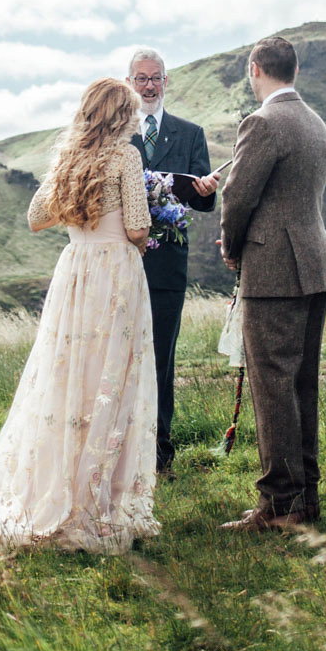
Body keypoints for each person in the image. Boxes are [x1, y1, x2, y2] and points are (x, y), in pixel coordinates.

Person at [0, 78, 160, 553]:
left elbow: (36, 217)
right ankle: (98, 504)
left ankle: (56, 487)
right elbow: (137, 226)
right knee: (111, 381)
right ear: (121, 115)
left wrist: (79, 217)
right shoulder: (126, 156)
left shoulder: (68, 157)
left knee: (67, 379)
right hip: (115, 278)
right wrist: (140, 237)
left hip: (75, 272)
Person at [218, 33, 326, 531]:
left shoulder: (264, 121)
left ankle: (280, 506)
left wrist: (232, 249)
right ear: (293, 70)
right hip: (315, 261)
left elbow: (237, 196)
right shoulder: (314, 122)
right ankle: (305, 498)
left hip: (275, 268)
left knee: (272, 385)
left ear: (256, 69)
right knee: (299, 383)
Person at [127, 47, 219, 475]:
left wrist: (204, 189)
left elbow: (204, 202)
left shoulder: (190, 133)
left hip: (167, 269)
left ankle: (160, 452)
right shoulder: (115, 133)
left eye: (156, 78)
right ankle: (121, 449)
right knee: (119, 355)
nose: (149, 85)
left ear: (167, 82)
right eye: (141, 78)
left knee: (161, 357)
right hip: (120, 261)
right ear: (130, 83)